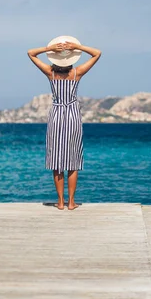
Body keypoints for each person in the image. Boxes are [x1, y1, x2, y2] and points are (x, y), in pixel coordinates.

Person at [27, 40, 102, 210]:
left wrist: (50, 49)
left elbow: (31, 52)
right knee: (73, 161)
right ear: (71, 59)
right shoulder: (77, 73)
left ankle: (60, 202)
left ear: (54, 58)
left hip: (56, 116)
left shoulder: (50, 73)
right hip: (72, 116)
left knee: (57, 160)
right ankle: (71, 202)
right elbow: (97, 53)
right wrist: (78, 47)